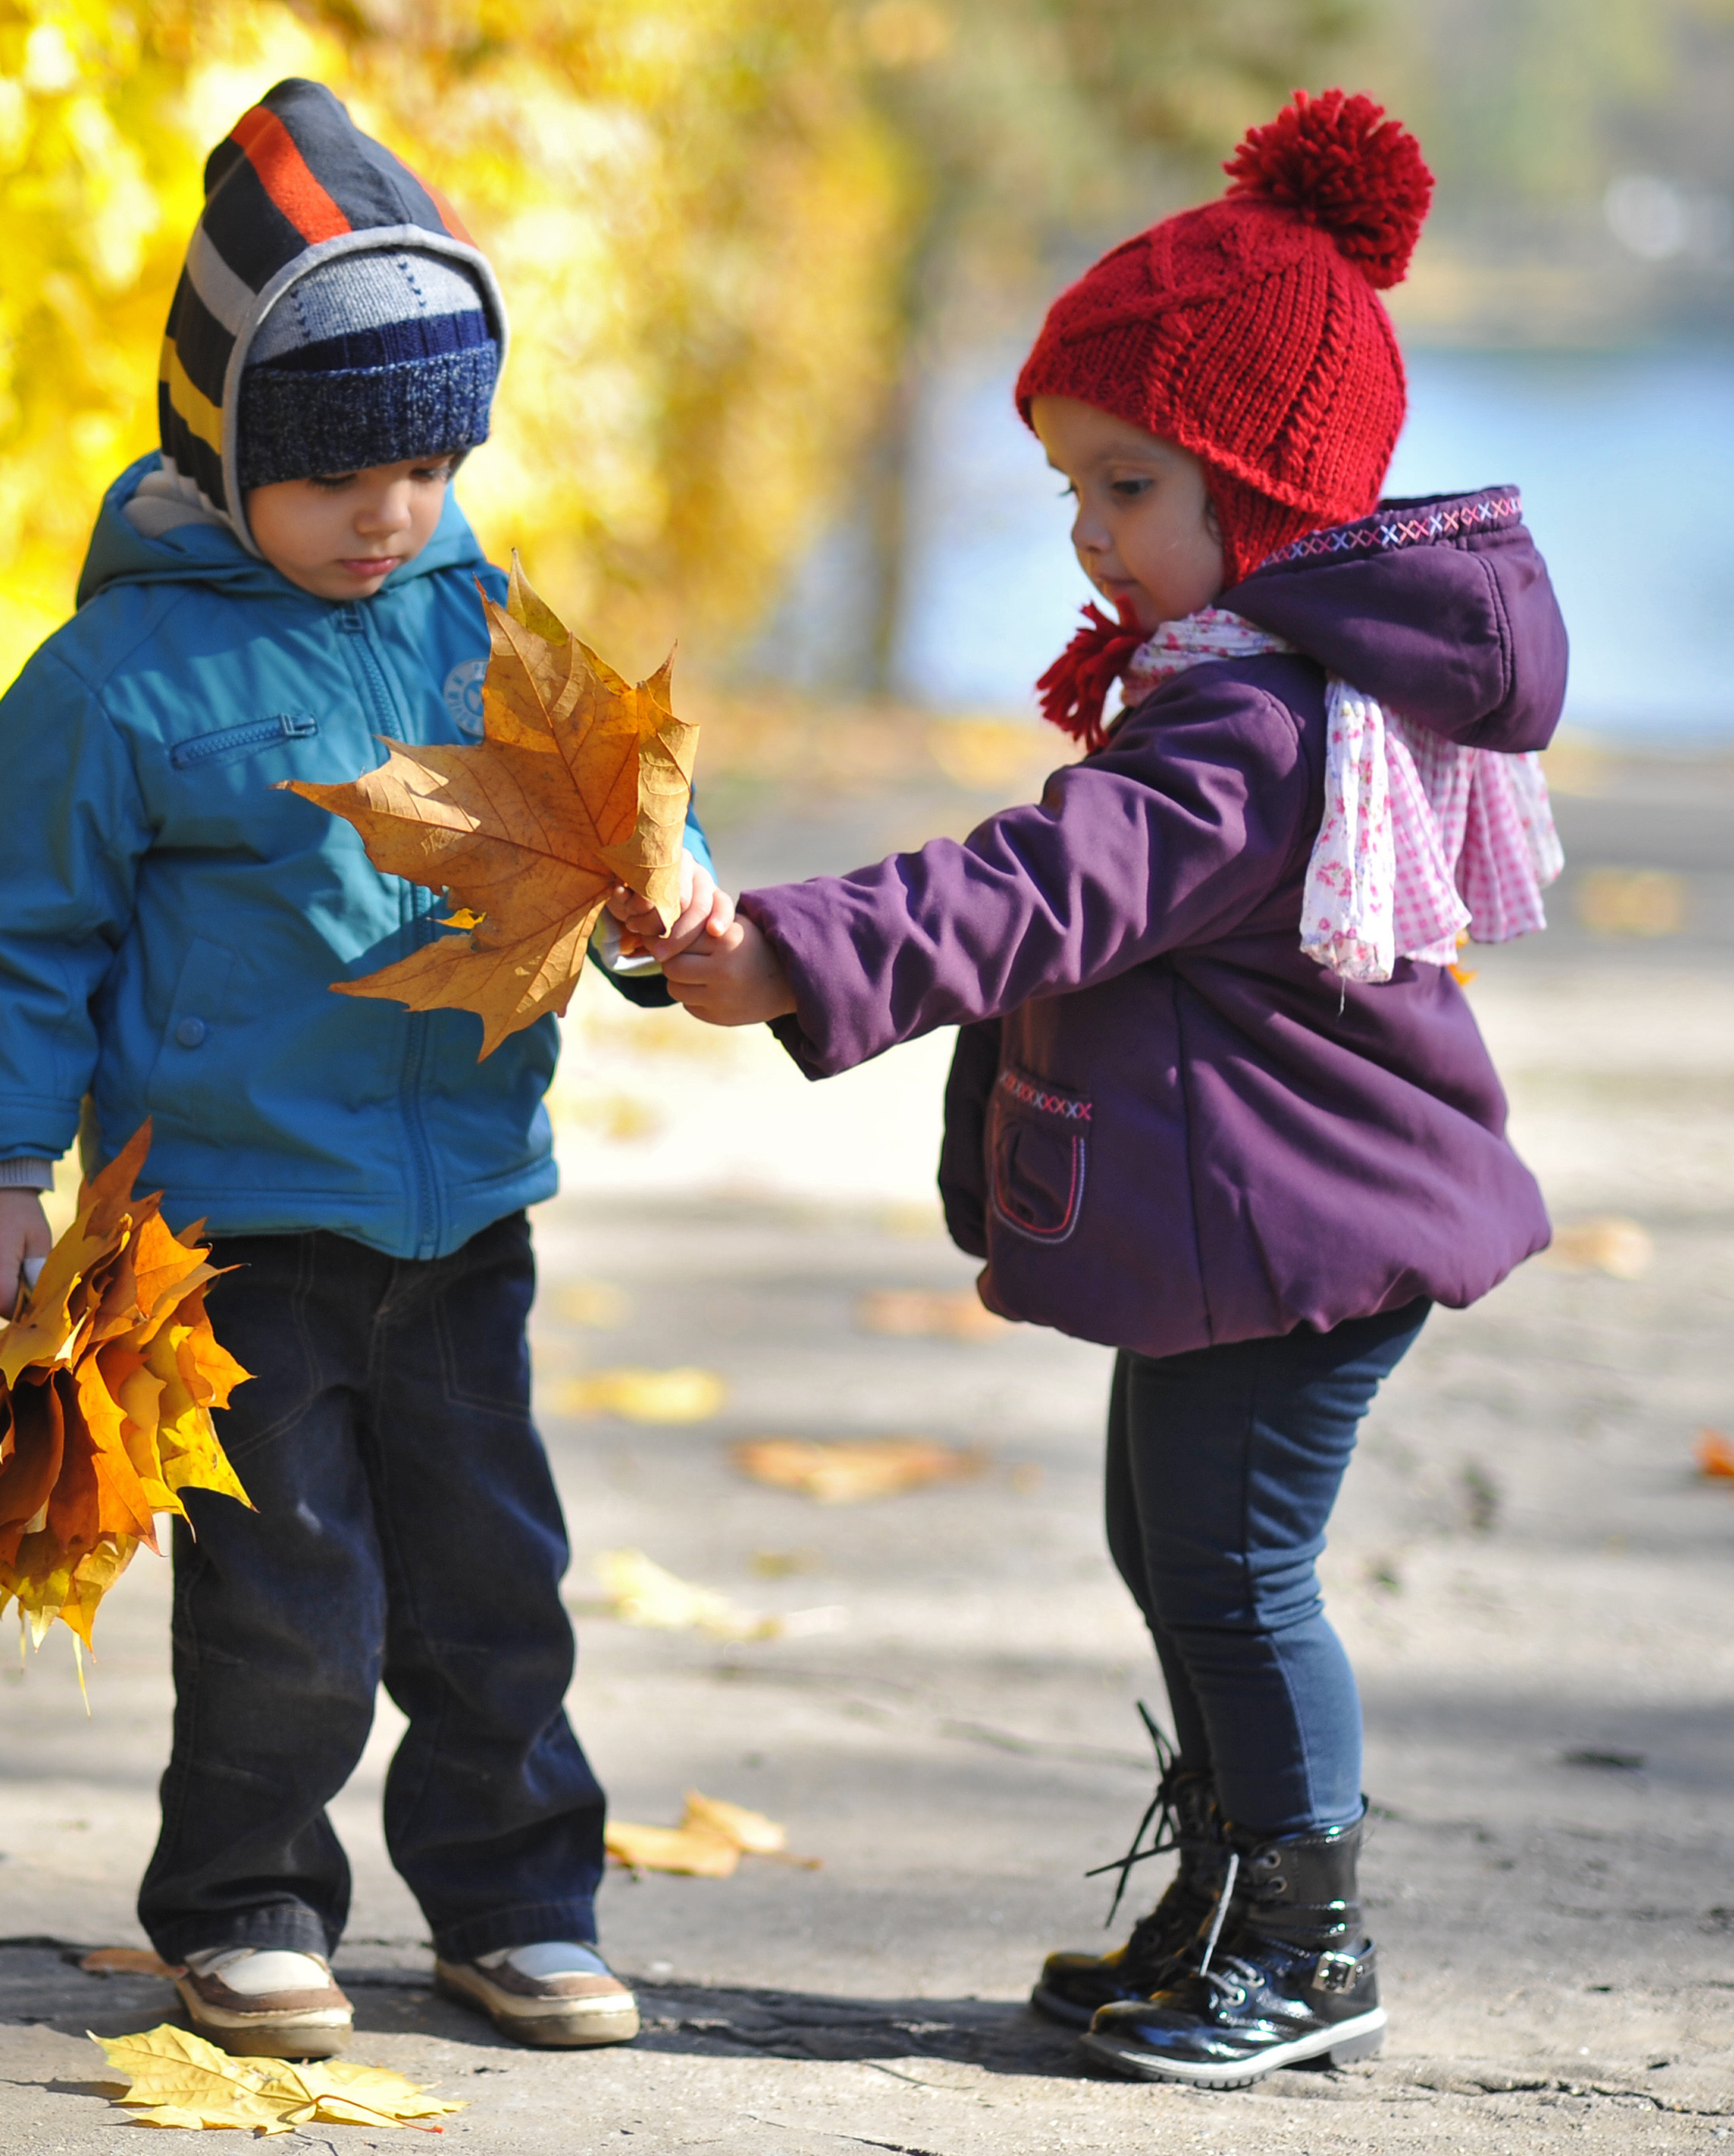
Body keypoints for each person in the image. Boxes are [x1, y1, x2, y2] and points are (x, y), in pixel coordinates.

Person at [636, 88, 1565, 2088]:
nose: (1087, 532)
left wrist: (797, 947)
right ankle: (1234, 1899)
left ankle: (1308, 1942)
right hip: (1256, 1231)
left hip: (1310, 1238)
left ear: (1261, 489)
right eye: (1071, 486)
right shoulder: (1227, 673)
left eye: (1127, 485)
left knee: (1234, 1567)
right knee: (1179, 1553)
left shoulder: (1250, 728)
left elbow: (1050, 886)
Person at [0, 79, 712, 2062]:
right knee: (290, 1595)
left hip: (462, 1208)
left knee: (491, 1582)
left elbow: (605, 843)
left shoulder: (483, 631)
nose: (394, 512)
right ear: (225, 439)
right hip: (236, 1225)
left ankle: (520, 1894)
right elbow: (20, 931)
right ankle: (247, 1890)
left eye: (434, 462)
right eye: (344, 471)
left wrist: (659, 901)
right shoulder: (121, 682)